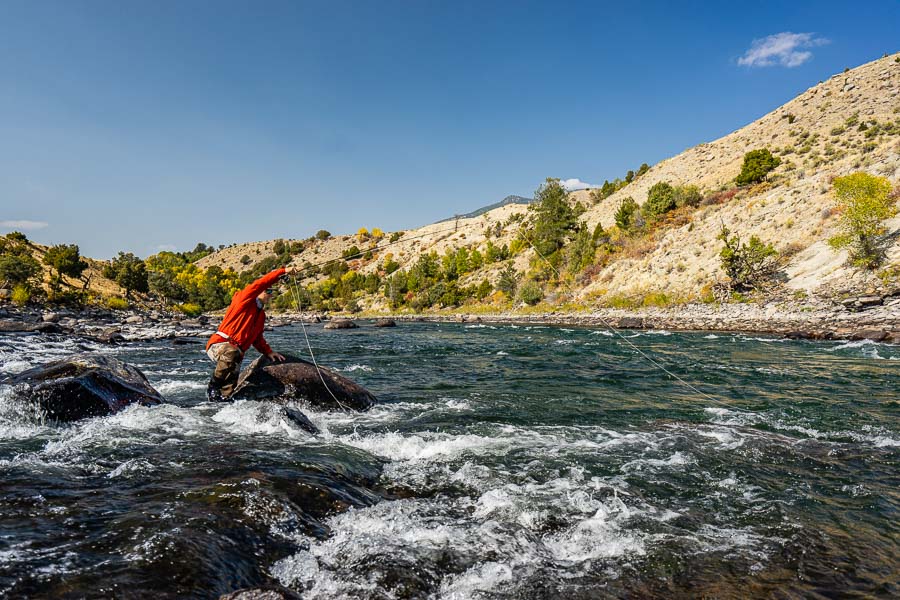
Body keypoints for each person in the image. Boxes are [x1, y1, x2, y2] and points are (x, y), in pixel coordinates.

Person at [205, 266, 294, 401]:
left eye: (271, 292)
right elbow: (260, 284)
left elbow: (257, 339)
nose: (270, 294)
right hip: (220, 344)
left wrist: (268, 352)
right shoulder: (243, 299)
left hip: (236, 354)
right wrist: (283, 271)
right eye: (268, 291)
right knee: (231, 353)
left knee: (228, 392)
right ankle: (213, 385)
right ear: (258, 292)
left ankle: (217, 407)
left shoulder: (261, 315)